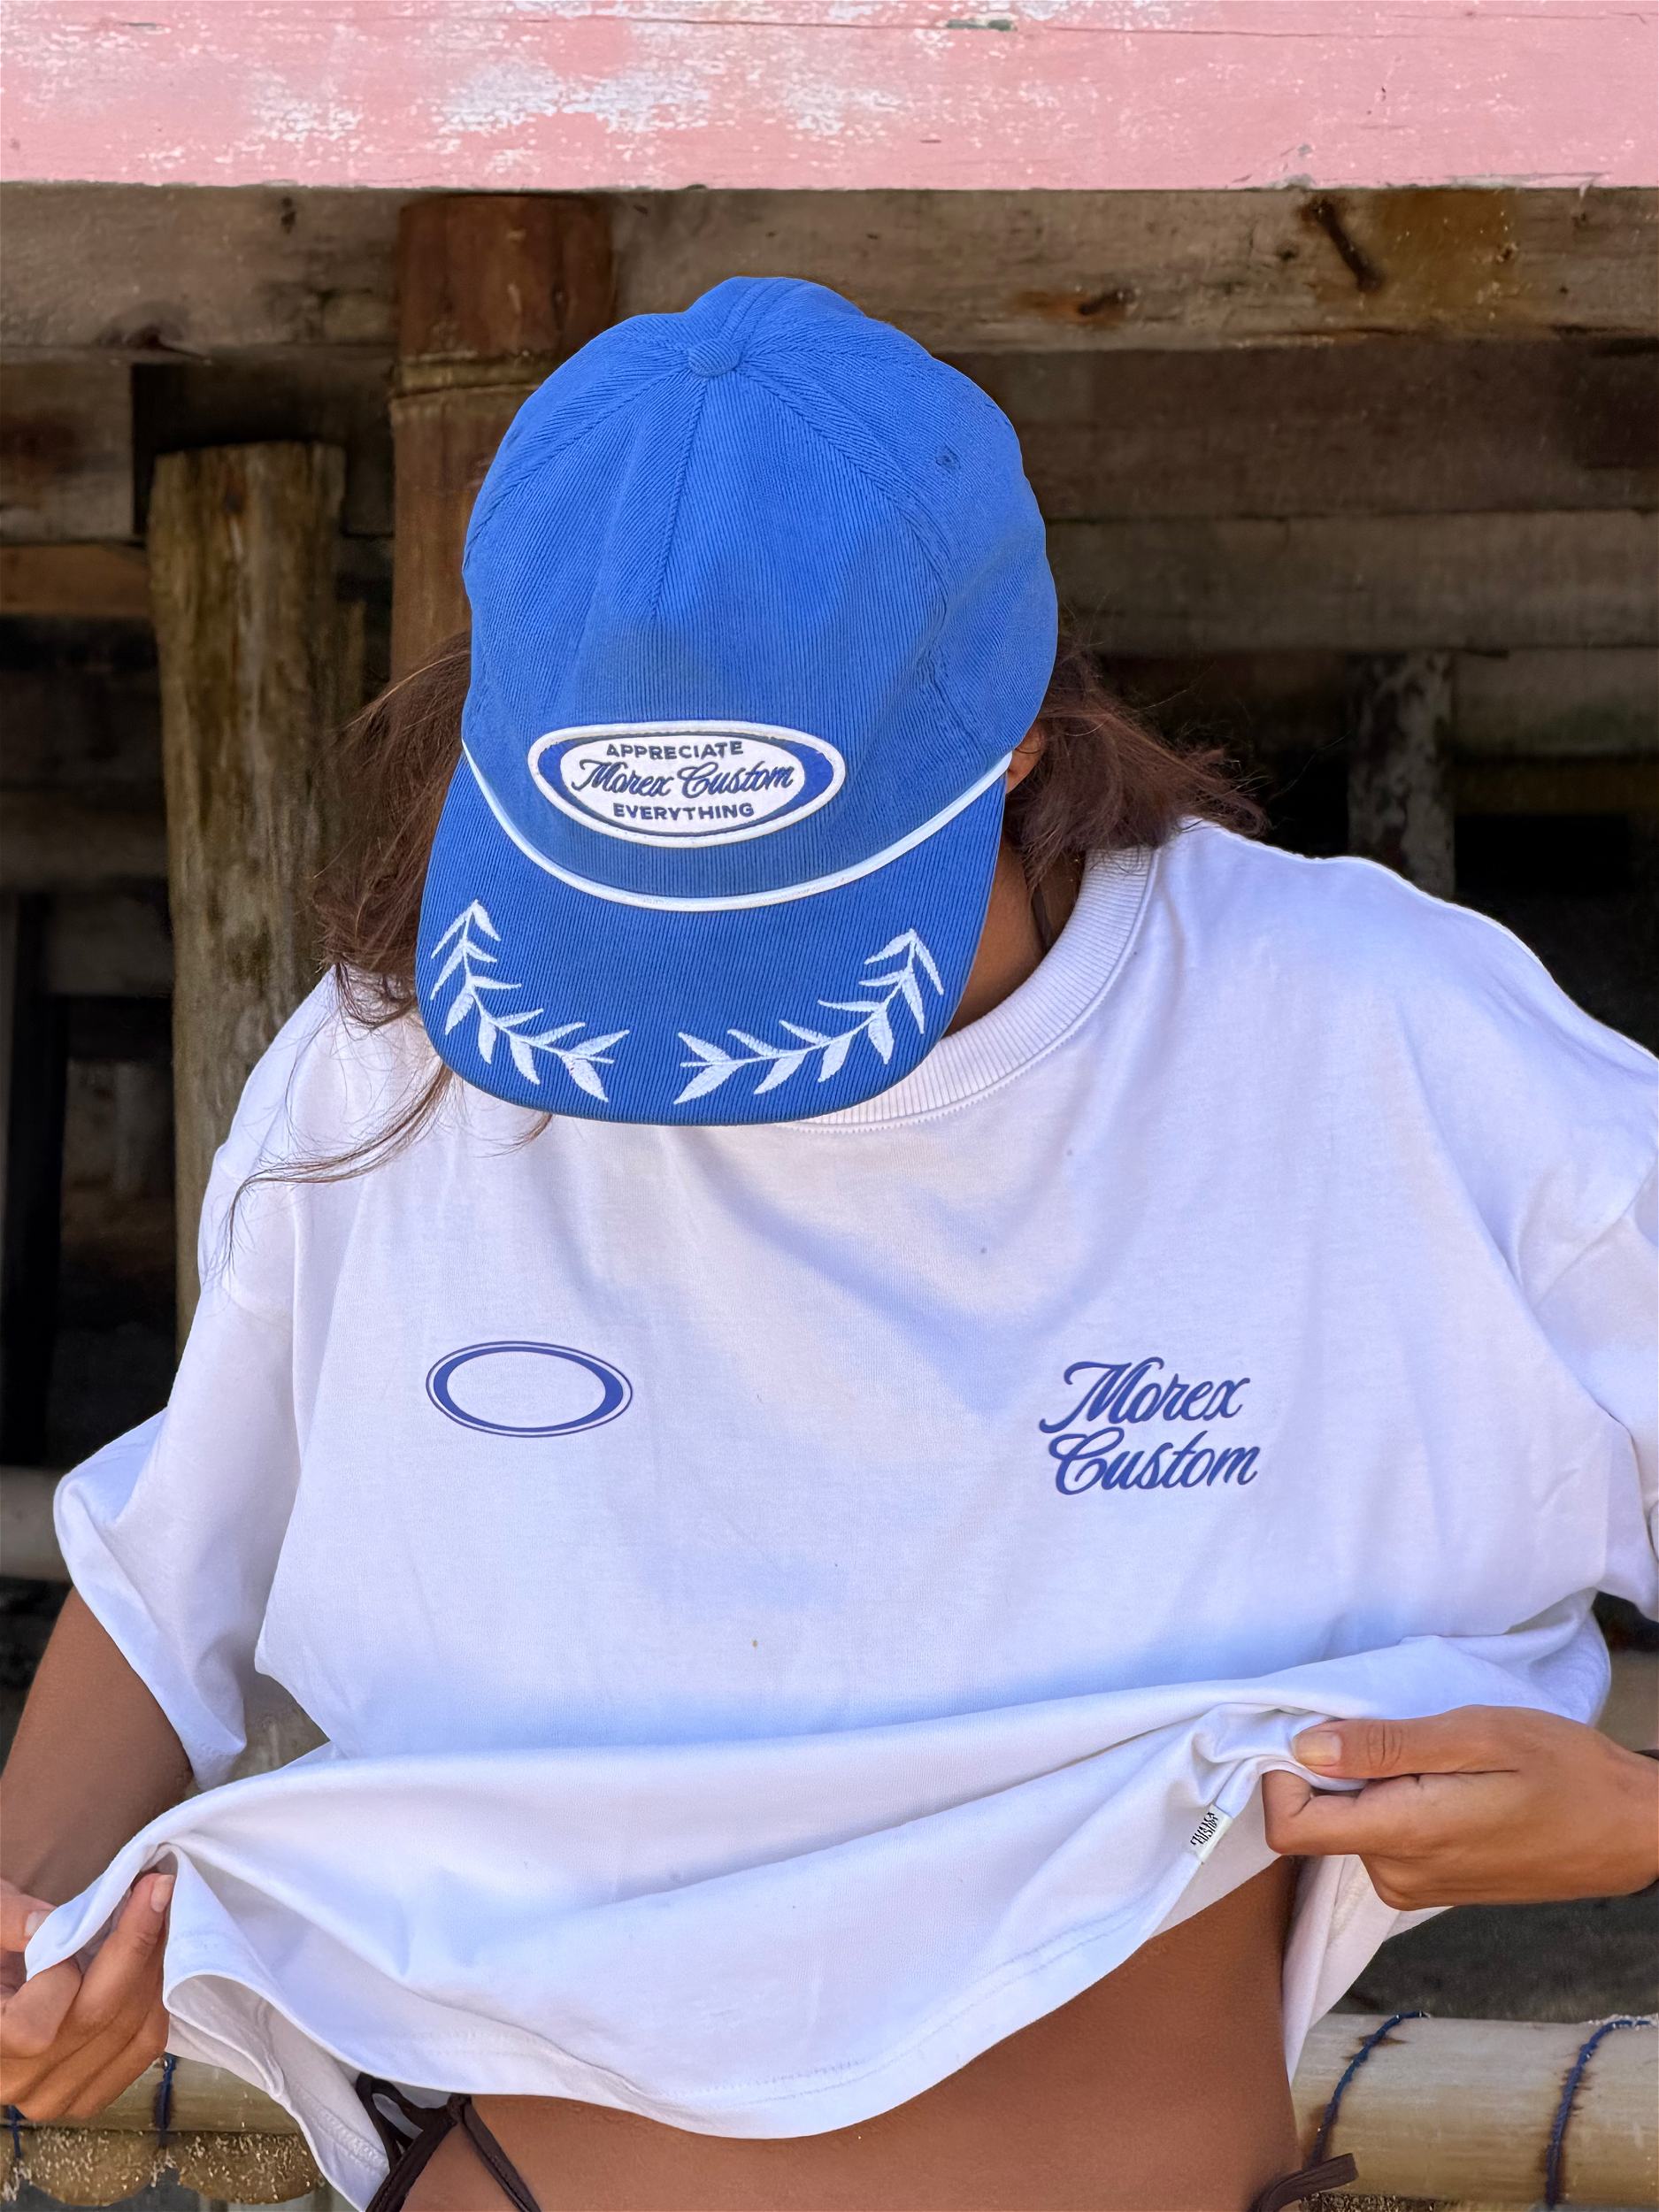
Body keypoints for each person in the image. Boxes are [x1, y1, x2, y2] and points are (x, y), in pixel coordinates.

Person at [2, 278, 1655, 2212]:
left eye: (775, 931)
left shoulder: (1361, 1043)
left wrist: (1634, 1815)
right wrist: (23, 1917)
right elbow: (188, 1537)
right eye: (628, 925)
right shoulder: (395, 1079)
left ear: (1020, 736)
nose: (699, 1033)